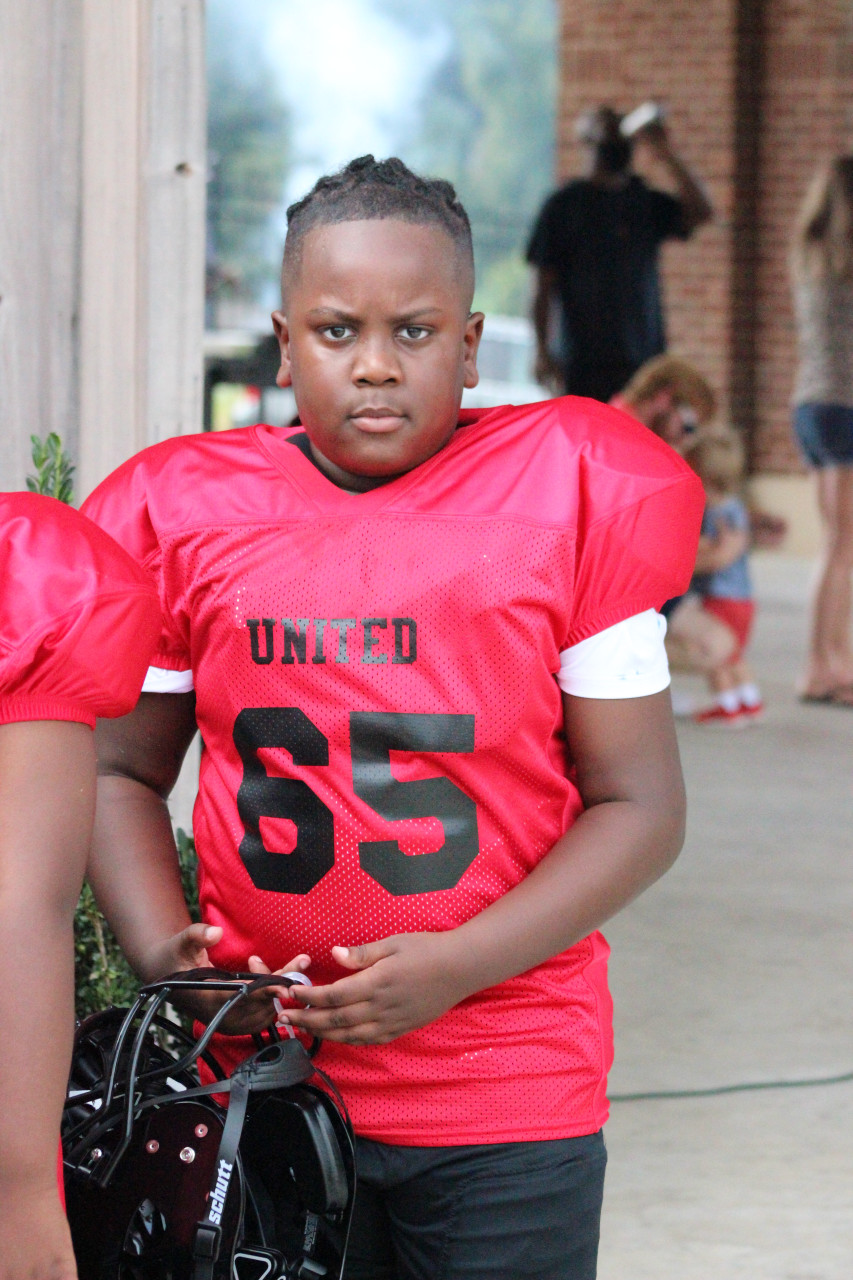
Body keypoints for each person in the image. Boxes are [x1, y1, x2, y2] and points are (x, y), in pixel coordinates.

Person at [81, 155, 703, 1280]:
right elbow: (118, 769)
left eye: (413, 333)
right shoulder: (187, 511)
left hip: (506, 1075)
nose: (374, 364)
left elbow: (641, 804)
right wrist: (159, 950)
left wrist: (458, 964)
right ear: (281, 340)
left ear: (469, 347)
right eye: (334, 330)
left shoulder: (563, 493)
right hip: (265, 1071)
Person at [0, 492, 162, 1280]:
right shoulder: (23, 568)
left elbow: (20, 910)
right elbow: (20, 908)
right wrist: (21, 1192)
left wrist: (20, 1189)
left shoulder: (24, 572)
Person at [527, 106, 713, 403]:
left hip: (644, 362)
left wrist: (666, 154)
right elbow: (541, 286)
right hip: (582, 362)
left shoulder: (643, 201)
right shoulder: (563, 206)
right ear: (587, 141)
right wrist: (541, 351)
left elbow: (702, 212)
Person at [791, 155, 853, 706]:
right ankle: (822, 667)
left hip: (811, 406)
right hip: (845, 408)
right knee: (841, 544)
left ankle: (834, 661)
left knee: (837, 543)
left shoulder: (811, 256)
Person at [682, 434, 763, 726]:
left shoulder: (719, 513)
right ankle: (750, 701)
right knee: (734, 655)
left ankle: (726, 705)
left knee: (716, 656)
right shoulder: (736, 508)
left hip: (721, 597)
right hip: (742, 598)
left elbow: (719, 552)